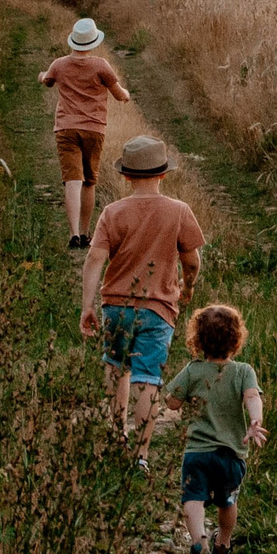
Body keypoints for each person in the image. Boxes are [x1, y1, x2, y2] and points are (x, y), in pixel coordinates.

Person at [78, 135, 203, 468]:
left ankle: (118, 435)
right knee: (147, 376)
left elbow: (94, 260)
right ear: (163, 174)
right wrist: (187, 287)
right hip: (158, 309)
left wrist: (87, 306)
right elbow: (191, 261)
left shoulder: (113, 212)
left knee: (116, 365)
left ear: (127, 176)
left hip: (116, 306)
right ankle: (141, 455)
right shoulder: (179, 211)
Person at [162, 303, 265, 554]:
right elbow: (252, 396)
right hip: (231, 453)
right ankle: (223, 543)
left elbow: (172, 403)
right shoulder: (243, 371)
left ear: (197, 340)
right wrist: (255, 420)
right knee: (227, 501)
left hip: (197, 452)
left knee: (192, 498)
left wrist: (170, 395)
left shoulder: (193, 370)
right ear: (236, 339)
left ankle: (199, 541)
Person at [38, 18, 131, 249]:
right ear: (93, 42)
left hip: (66, 128)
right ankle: (86, 232)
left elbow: (47, 81)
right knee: (89, 182)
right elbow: (120, 95)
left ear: (73, 41)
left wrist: (41, 75)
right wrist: (127, 94)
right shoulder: (101, 66)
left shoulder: (59, 64)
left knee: (72, 181)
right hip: (93, 128)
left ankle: (72, 234)